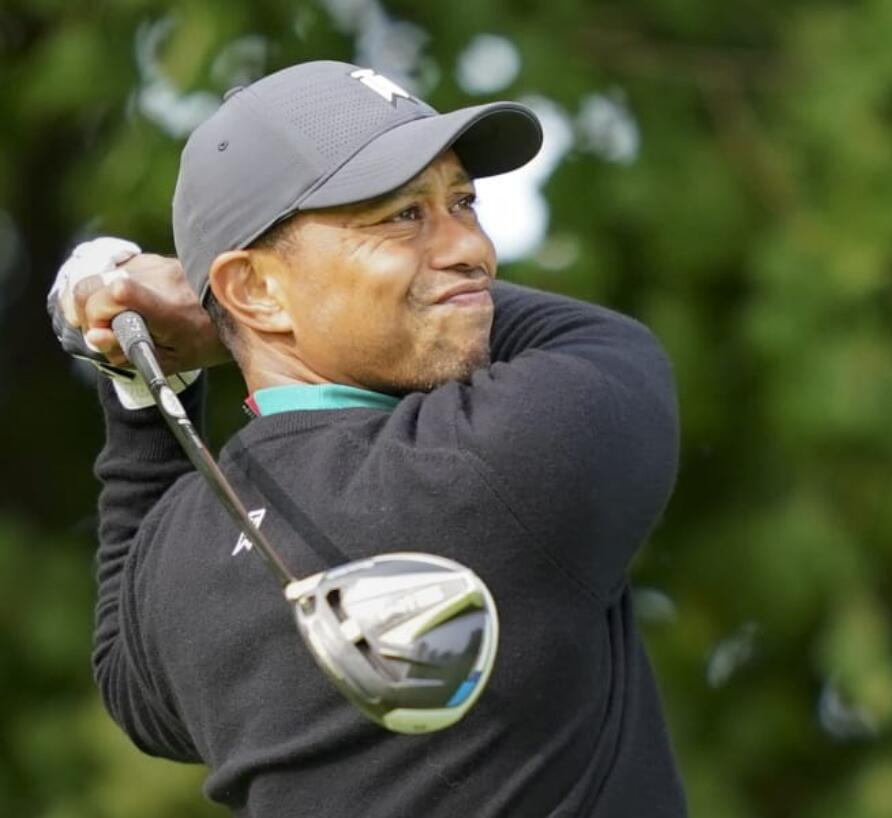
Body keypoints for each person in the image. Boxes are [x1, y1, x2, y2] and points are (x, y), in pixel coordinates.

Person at [48, 60, 687, 817]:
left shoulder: (176, 572)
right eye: (402, 216)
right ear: (253, 287)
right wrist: (214, 314)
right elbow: (603, 343)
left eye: (463, 202)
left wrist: (145, 381)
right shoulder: (503, 455)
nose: (473, 249)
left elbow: (127, 677)